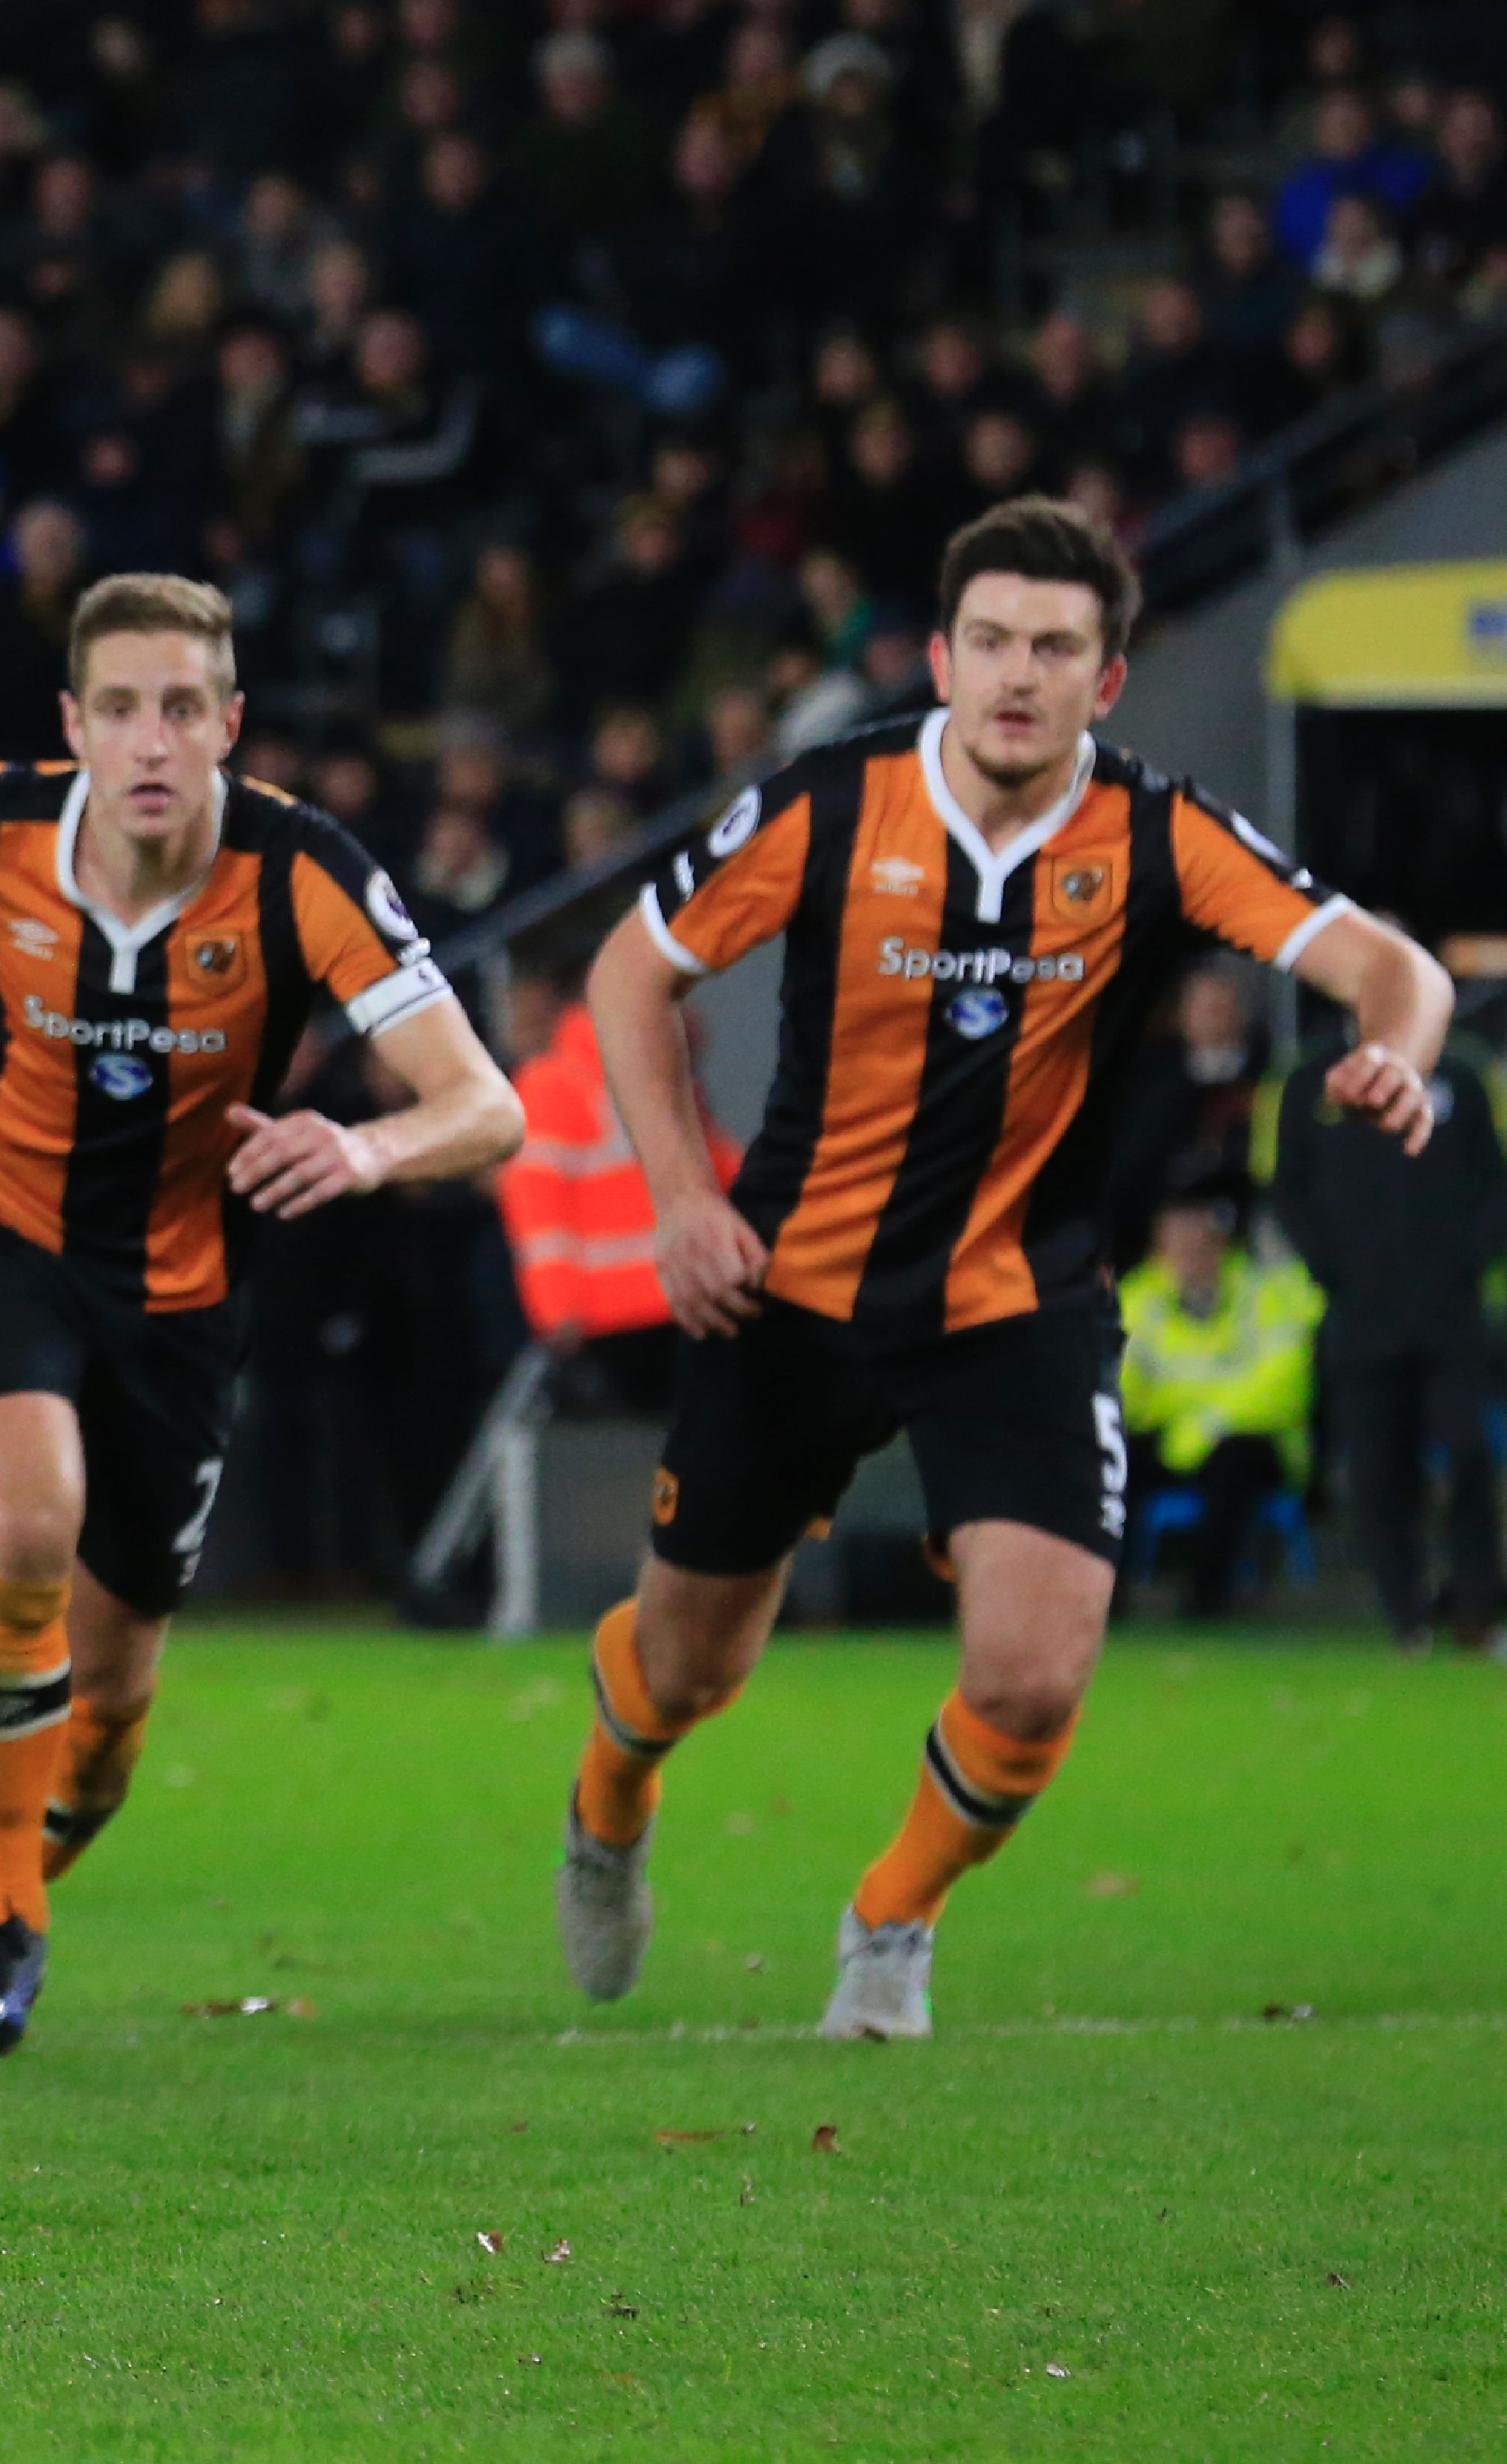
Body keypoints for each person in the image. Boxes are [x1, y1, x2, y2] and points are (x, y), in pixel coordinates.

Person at [551, 497, 1451, 2040]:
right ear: (938, 657)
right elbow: (632, 967)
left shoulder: (1157, 832)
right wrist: (684, 1198)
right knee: (688, 1667)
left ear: (1105, 681)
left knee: (1035, 1674)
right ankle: (607, 1801)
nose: (1015, 674)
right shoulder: (829, 802)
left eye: (1053, 646)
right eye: (989, 642)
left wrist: (1401, 1054)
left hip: (1011, 1304)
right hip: (787, 1291)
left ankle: (891, 1918)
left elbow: (1393, 966)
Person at [0, 572, 523, 2055]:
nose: (150, 740)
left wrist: (364, 1146)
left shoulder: (304, 874)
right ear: (73, 727)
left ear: (228, 724)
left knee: (102, 1720)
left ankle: (7, 1867)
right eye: (119, 709)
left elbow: (485, 1104)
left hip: (176, 1290)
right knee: (26, 1524)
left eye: (180, 709)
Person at [1271, 1020, 1507, 1654]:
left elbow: (1495, 1179)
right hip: (1361, 1314)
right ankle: (1407, 1614)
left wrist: (1466, 1261)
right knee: (1380, 1471)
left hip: (1449, 1312)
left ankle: (1478, 1608)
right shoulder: (1312, 1082)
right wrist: (1336, 1270)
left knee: (1467, 1456)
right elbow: (1288, 1190)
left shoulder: (1458, 1074)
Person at [494, 955, 736, 1416]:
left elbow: (536, 1206)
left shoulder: (560, 1080)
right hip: (673, 1300)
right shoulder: (646, 1074)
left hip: (623, 1310)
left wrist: (556, 1309)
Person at [1115, 1174, 1321, 1618]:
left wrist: (1209, 1419)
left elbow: (1284, 1385)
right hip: (1172, 1436)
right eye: (1176, 1239)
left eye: (1198, 1238)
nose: (1188, 1252)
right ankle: (1108, 1603)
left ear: (1221, 1242)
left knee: (1236, 1462)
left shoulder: (1262, 1294)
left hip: (1245, 1437)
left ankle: (1209, 1601)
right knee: (1113, 1462)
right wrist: (1184, 1417)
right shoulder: (1139, 1298)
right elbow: (1121, 1386)